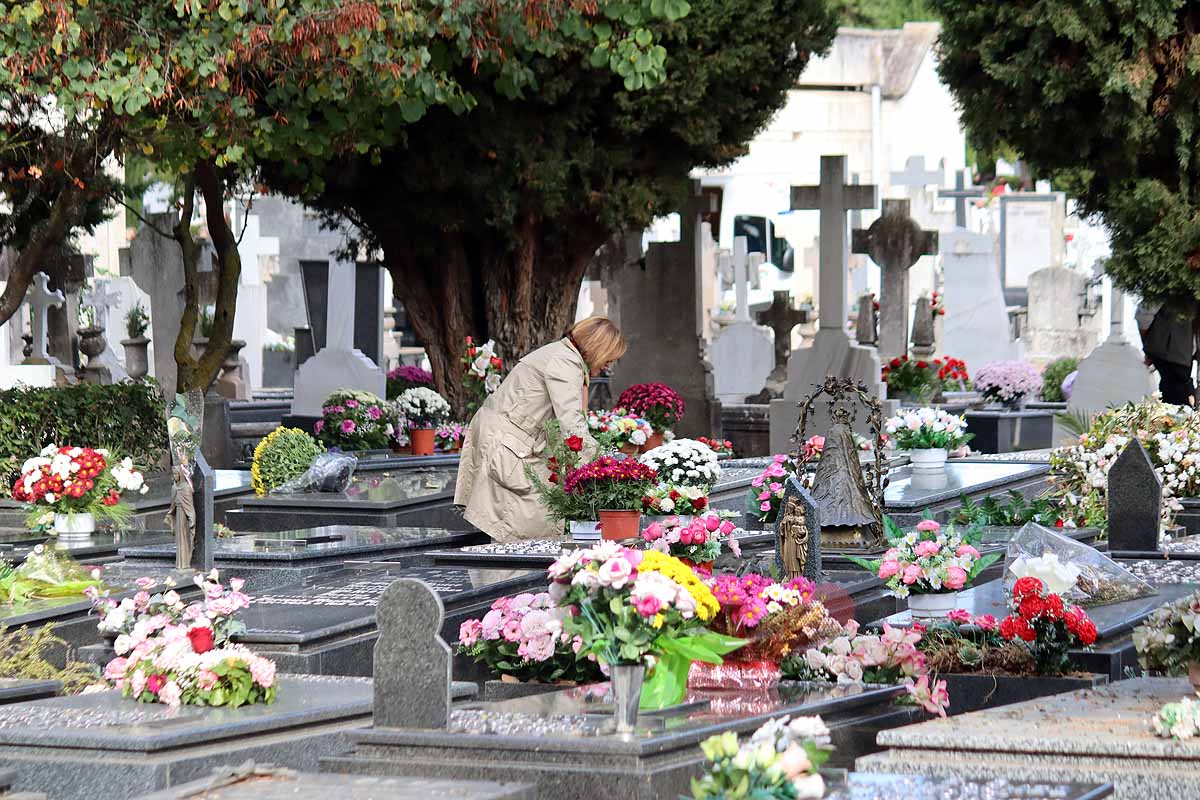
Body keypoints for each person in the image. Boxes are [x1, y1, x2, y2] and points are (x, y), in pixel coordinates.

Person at [454, 317, 627, 542]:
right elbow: (571, 426)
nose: (608, 366)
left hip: (509, 440)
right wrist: (606, 463)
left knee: (526, 519)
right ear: (597, 347)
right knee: (525, 522)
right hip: (508, 444)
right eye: (609, 359)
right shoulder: (565, 363)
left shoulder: (563, 355)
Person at [1136, 299, 1198, 406]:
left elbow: (1144, 315)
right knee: (1177, 397)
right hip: (1170, 354)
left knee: (1177, 395)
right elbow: (1145, 313)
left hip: (1178, 356)